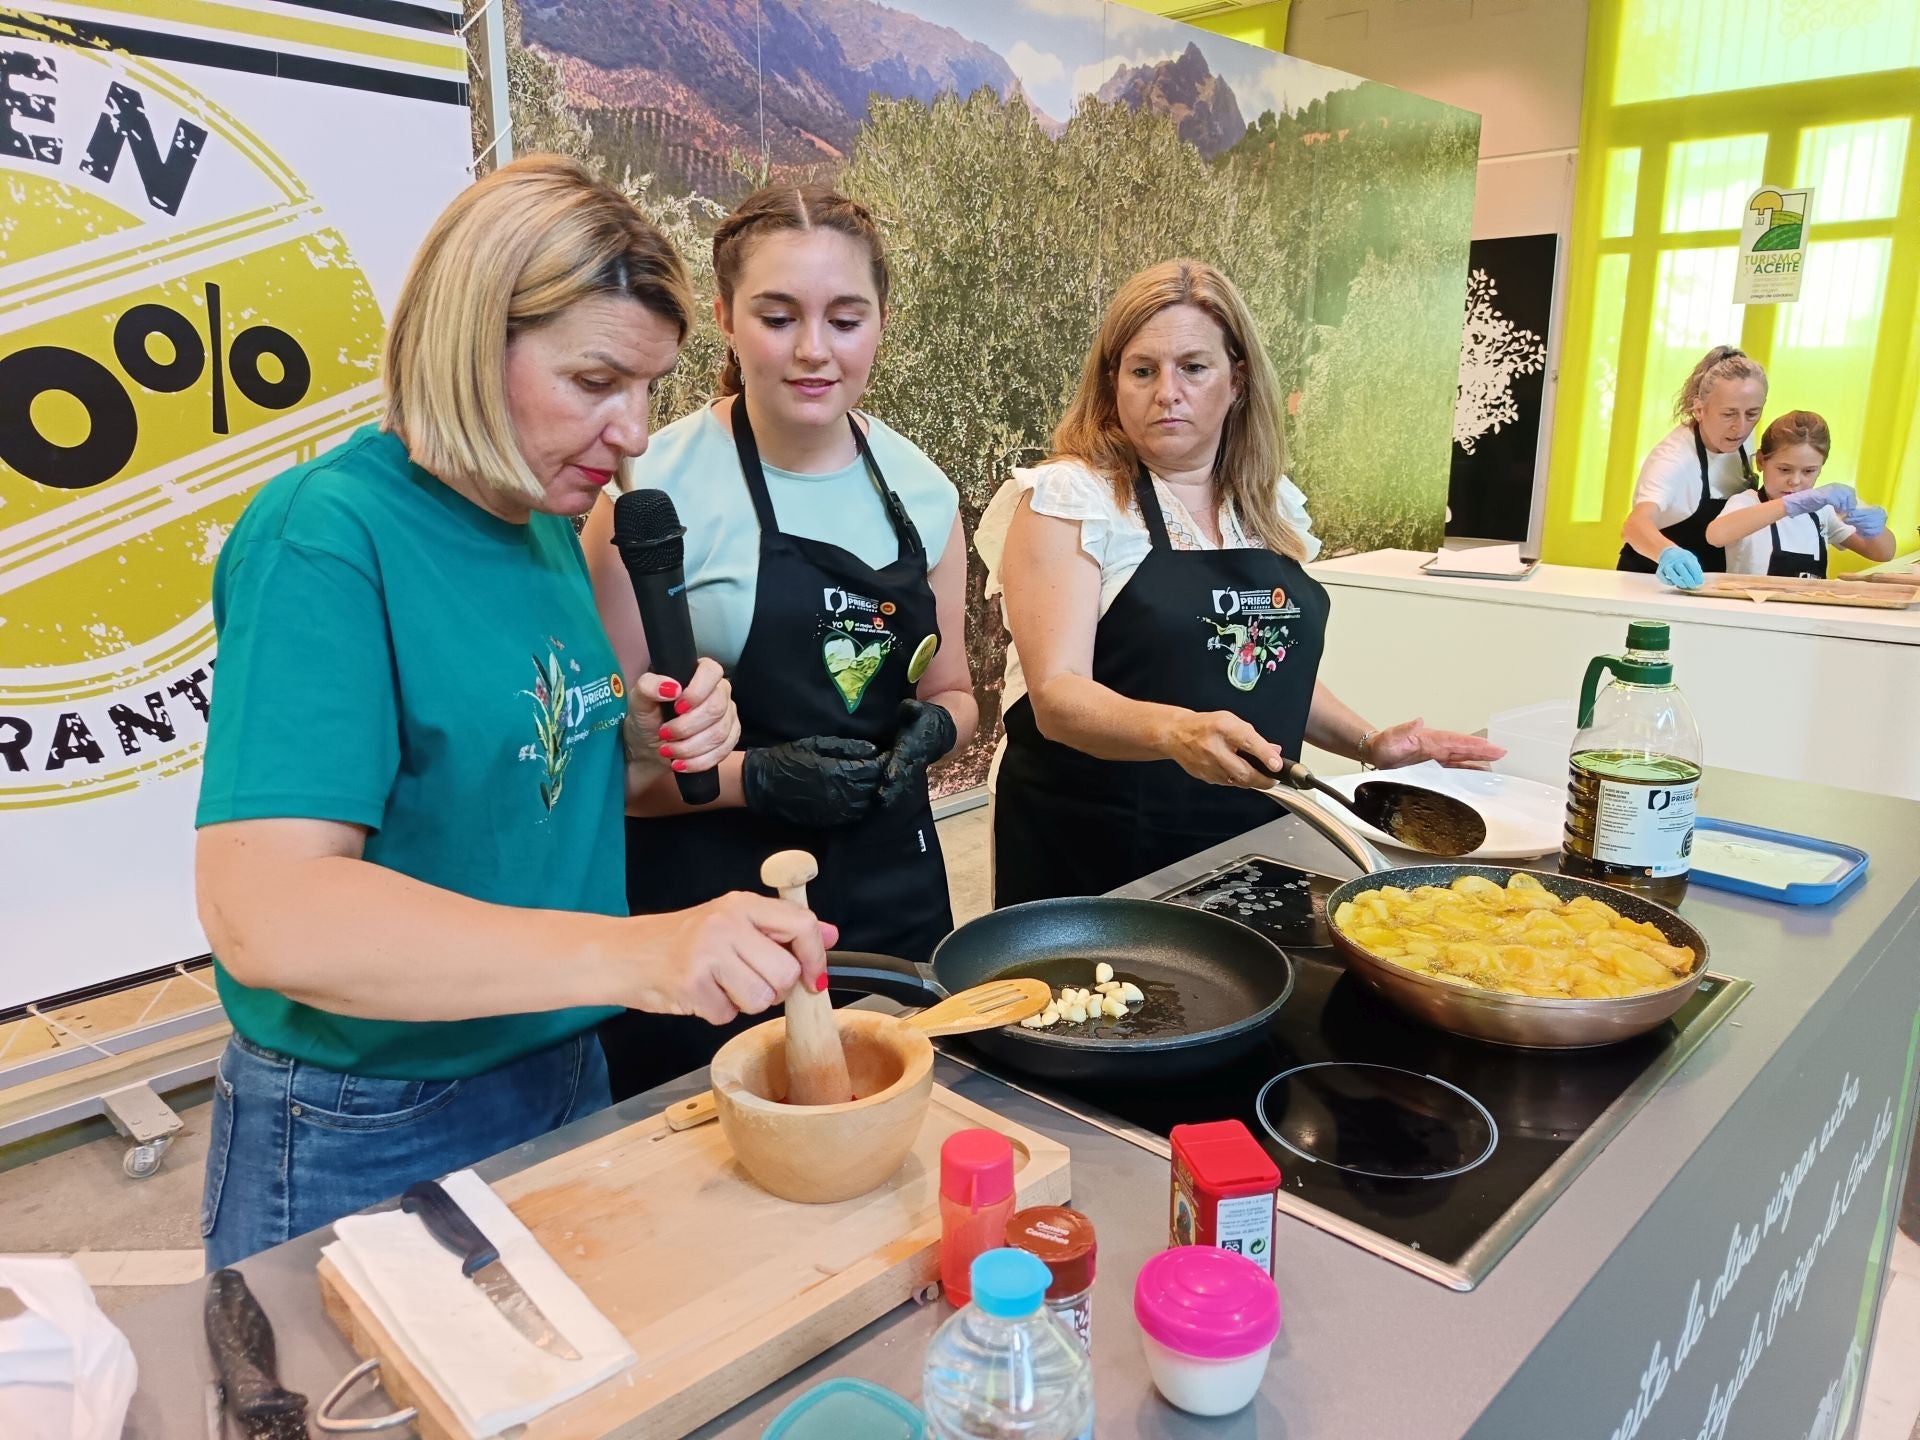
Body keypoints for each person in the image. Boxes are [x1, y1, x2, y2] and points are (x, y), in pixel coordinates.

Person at [193, 157, 832, 1269]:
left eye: (649, 389)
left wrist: (634, 749)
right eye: (595, 381)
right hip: (371, 1114)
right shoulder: (325, 538)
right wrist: (644, 954)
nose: (632, 432)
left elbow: (514, 781)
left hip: (560, 1064)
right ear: (468, 338)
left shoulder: (543, 523)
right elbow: (269, 912)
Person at [584, 185, 975, 1099]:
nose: (813, 351)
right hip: (712, 922)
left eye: (845, 318)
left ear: (881, 319)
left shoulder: (922, 492)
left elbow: (956, 691)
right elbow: (606, 774)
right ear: (723, 317)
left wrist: (937, 734)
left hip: (892, 901)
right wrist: (755, 778)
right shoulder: (648, 498)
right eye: (777, 316)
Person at [977, 259, 1500, 906]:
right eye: (1143, 370)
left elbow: (1258, 667)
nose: (1168, 391)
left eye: (1193, 368)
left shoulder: (1267, 507)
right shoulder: (1069, 499)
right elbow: (1058, 698)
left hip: (1251, 838)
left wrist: (1370, 742)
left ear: (1238, 379)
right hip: (1097, 850)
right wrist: (1179, 733)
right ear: (1113, 384)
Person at [1617, 345, 1768, 586]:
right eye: (1729, 414)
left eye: (1752, 414)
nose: (1740, 427)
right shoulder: (1673, 459)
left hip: (1709, 583)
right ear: (1699, 409)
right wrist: (1668, 554)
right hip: (1652, 583)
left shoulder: (1741, 438)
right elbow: (1634, 525)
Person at [1703, 411, 1896, 577]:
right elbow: (1716, 535)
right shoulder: (1747, 502)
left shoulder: (1823, 512)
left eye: (1808, 471)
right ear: (1761, 461)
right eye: (1784, 469)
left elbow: (1883, 554)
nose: (1795, 481)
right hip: (1755, 616)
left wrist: (1876, 528)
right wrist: (1791, 505)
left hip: (1807, 615)